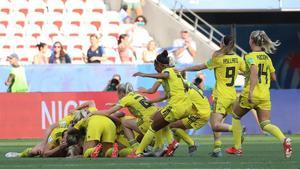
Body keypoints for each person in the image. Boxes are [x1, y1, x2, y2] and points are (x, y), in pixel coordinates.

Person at [227, 30, 292, 158]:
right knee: (265, 124)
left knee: (235, 116)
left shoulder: (250, 56)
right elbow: (273, 77)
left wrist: (250, 92)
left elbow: (255, 72)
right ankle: (284, 140)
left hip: (251, 94)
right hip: (264, 95)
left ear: (251, 41)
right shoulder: (267, 57)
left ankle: (237, 148)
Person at [179, 35, 246, 157]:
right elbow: (245, 72)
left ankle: (236, 130)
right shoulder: (238, 59)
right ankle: (217, 149)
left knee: (215, 125)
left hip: (221, 96)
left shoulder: (218, 59)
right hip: (232, 95)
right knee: (219, 123)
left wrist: (185, 68)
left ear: (223, 44)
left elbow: (201, 66)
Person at [130, 50, 197, 157]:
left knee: (153, 125)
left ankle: (141, 151)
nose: (155, 69)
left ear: (160, 65)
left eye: (155, 66)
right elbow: (166, 95)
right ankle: (180, 144)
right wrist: (151, 100)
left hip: (176, 105)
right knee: (163, 122)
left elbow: (163, 76)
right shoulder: (175, 73)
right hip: (185, 105)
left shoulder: (168, 71)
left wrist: (144, 74)